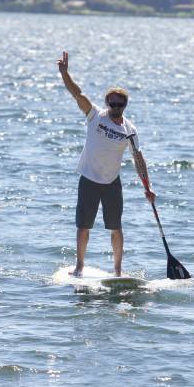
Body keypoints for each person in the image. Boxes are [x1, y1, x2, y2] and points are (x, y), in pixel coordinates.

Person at [57, 51, 155, 276]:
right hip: (89, 179)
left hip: (112, 182)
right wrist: (65, 74)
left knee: (116, 228)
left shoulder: (129, 131)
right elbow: (77, 93)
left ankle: (118, 270)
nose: (116, 108)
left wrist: (147, 188)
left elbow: (138, 159)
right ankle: (79, 266)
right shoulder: (95, 116)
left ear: (125, 105)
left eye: (121, 105)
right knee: (83, 226)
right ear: (107, 103)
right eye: (113, 104)